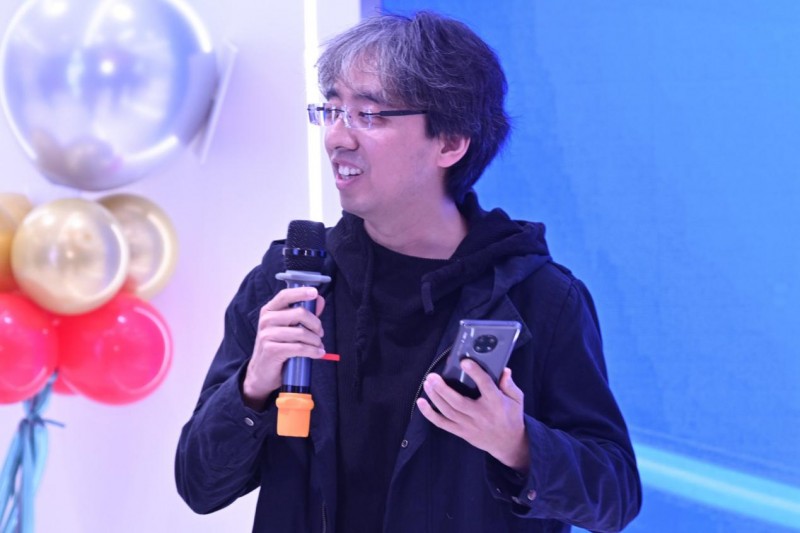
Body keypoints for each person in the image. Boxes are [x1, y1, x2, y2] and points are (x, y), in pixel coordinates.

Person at [175, 11, 641, 533]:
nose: (337, 137)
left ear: (451, 142)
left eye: (368, 115)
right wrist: (252, 388)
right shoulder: (289, 282)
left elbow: (615, 496)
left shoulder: (539, 299)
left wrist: (518, 445)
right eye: (331, 109)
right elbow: (199, 485)